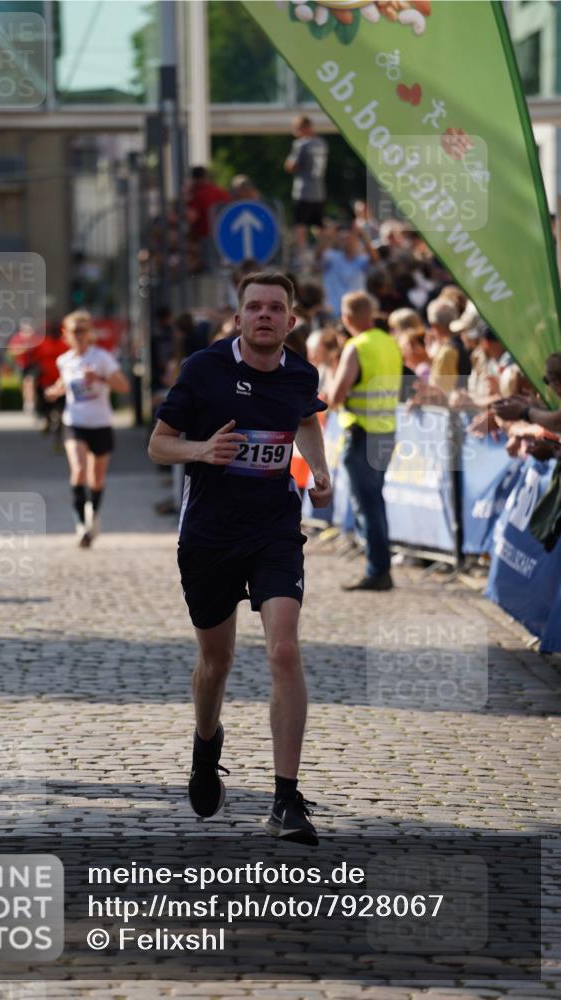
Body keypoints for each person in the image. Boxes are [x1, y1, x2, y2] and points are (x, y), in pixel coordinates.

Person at [148, 272, 332, 845]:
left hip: (275, 529)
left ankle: (286, 799)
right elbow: (158, 443)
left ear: (291, 320)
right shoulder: (204, 370)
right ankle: (207, 743)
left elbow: (305, 419)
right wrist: (201, 449)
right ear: (238, 318)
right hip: (208, 535)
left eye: (276, 308)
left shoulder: (301, 373)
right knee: (217, 662)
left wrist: (317, 468)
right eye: (254, 307)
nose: (264, 316)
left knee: (282, 648)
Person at [326, 291, 403, 591]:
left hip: (361, 433)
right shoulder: (389, 343)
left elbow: (336, 396)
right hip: (386, 431)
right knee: (376, 502)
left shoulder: (356, 347)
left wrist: (332, 374)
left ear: (347, 319)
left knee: (366, 505)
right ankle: (379, 566)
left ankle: (377, 570)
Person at [44, 310, 130, 547]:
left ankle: (93, 513)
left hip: (101, 423)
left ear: (89, 333)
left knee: (97, 478)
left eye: (83, 331)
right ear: (66, 335)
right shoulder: (64, 361)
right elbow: (64, 384)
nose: (79, 336)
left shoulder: (101, 358)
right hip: (75, 422)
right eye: (74, 332)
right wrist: (54, 391)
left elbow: (123, 387)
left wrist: (100, 379)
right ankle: (81, 525)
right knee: (79, 471)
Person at [284, 115, 328, 257]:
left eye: (296, 129)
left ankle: (303, 255)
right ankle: (322, 252)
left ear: (304, 128)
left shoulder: (301, 144)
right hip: (319, 191)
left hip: (303, 191)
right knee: (319, 225)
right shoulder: (322, 143)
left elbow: (291, 166)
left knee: (300, 224)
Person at [316, 223, 378, 319]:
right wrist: (328, 236)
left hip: (357, 312)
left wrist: (363, 235)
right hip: (334, 312)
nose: (345, 241)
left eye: (348, 238)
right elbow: (318, 256)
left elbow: (374, 259)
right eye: (342, 239)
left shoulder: (361, 260)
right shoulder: (331, 257)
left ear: (355, 240)